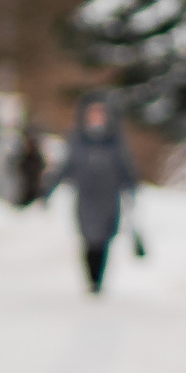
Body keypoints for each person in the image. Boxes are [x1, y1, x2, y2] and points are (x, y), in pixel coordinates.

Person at [48, 96, 137, 293]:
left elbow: (125, 166)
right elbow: (66, 166)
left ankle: (98, 279)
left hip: (108, 197)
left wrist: (130, 187)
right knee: (88, 236)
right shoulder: (78, 139)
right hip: (86, 196)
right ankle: (91, 278)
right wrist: (49, 187)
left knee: (105, 237)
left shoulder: (114, 140)